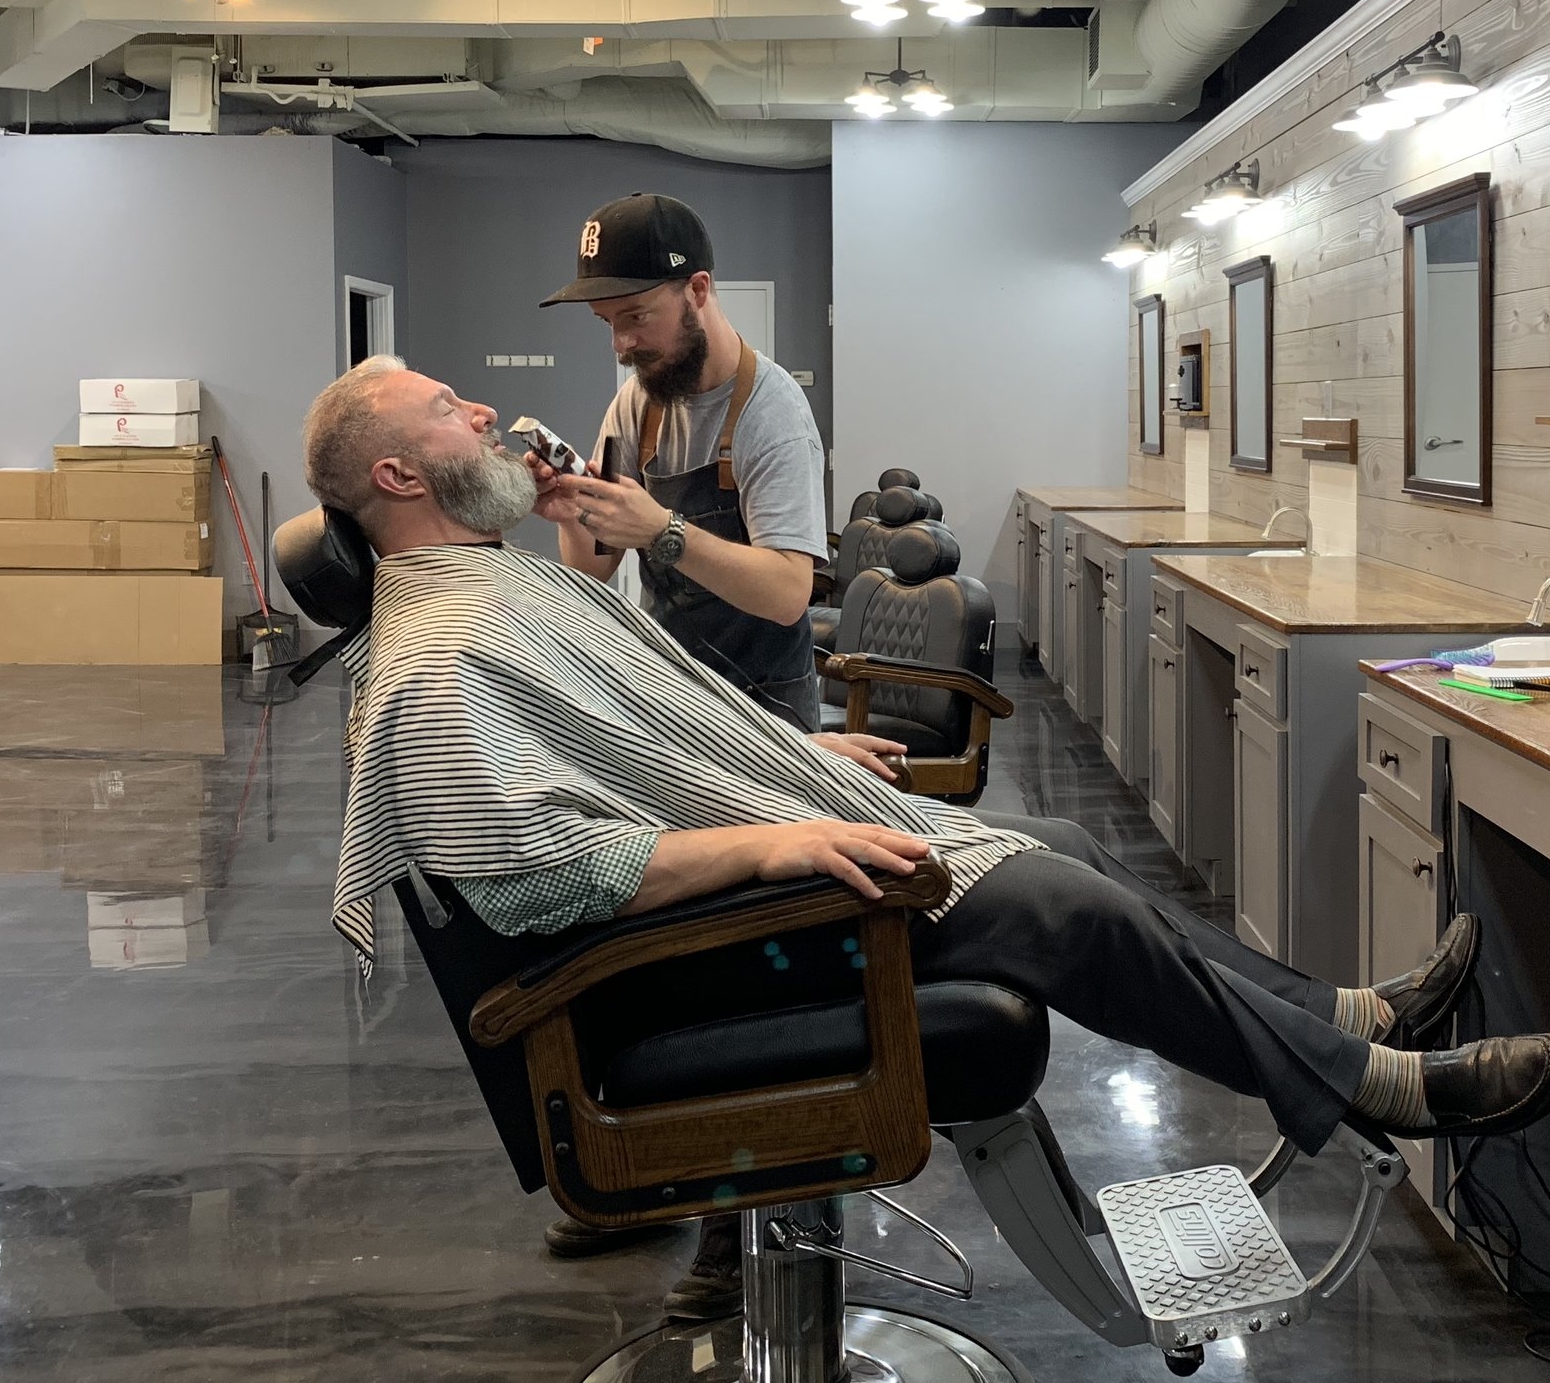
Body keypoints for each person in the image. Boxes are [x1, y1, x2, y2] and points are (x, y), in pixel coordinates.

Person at [300, 358, 1550, 1323]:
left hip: (702, 921)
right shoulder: (438, 656)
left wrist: (789, 762)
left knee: (1053, 834)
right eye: (447, 409)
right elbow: (530, 878)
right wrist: (770, 845)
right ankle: (1389, 1087)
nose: (483, 410)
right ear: (399, 479)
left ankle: (1347, 1017)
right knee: (1055, 903)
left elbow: (649, 733)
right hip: (666, 977)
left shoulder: (496, 586)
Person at [532, 193, 828, 737]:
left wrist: (663, 531)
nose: (622, 345)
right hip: (677, 697)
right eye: (606, 323)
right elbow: (593, 568)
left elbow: (788, 595)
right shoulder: (636, 404)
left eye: (636, 317)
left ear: (697, 289)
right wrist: (577, 514)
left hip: (768, 710)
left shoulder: (772, 414)